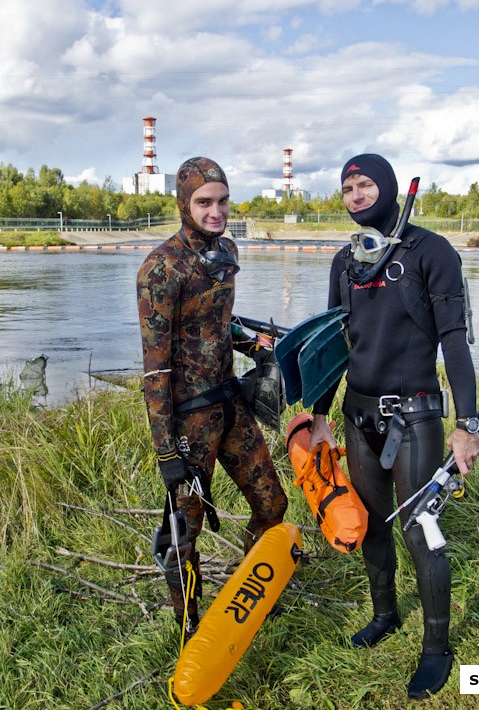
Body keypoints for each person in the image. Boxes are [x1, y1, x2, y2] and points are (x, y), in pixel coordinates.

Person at [308, 153, 479, 699]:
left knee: (419, 530)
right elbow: (333, 345)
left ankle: (437, 650)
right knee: (371, 522)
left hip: (416, 415)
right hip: (357, 415)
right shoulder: (346, 261)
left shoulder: (432, 252)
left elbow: (454, 339)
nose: (356, 195)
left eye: (364, 185)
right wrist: (318, 416)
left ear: (386, 187)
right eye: (347, 188)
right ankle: (385, 614)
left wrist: (466, 424)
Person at [137, 156, 288, 637]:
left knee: (272, 506)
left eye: (222, 201)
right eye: (204, 202)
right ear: (184, 203)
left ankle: (253, 598)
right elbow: (155, 368)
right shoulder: (161, 269)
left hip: (230, 405)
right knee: (184, 533)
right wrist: (166, 451)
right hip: (187, 422)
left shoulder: (225, 250)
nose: (216, 211)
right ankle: (190, 632)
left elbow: (220, 326)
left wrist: (256, 346)